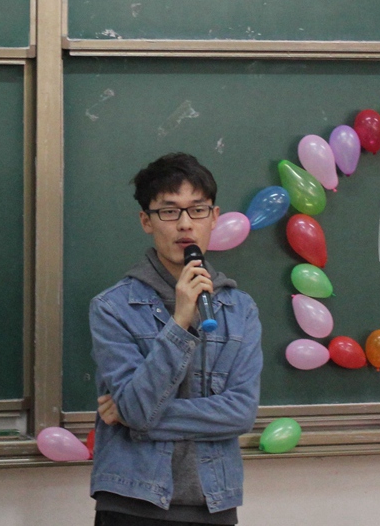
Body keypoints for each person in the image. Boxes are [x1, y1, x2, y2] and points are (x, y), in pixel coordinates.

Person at [89, 153, 263, 526]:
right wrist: (180, 321)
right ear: (146, 221)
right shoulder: (112, 307)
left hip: (213, 502)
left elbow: (241, 412)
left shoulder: (240, 309)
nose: (185, 224)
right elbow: (137, 409)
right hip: (131, 503)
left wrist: (132, 415)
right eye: (169, 211)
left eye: (197, 210)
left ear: (214, 217)